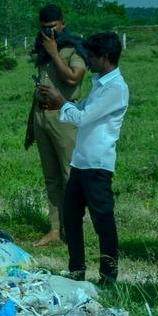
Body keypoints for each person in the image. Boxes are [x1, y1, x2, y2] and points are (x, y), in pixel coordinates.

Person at [39, 32, 129, 284]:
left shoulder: (115, 89)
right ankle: (77, 269)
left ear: (105, 57)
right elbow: (82, 111)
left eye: (91, 55)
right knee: (71, 216)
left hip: (97, 164)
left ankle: (108, 276)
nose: (87, 59)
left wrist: (60, 101)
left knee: (103, 221)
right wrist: (62, 103)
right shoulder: (101, 83)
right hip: (81, 161)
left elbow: (83, 118)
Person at [28, 4, 87, 246]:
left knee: (68, 174)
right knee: (50, 176)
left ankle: (74, 228)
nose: (48, 32)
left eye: (52, 27)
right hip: (41, 116)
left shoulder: (74, 49)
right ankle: (55, 228)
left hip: (64, 115)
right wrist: (30, 124)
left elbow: (73, 77)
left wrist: (54, 52)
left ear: (62, 24)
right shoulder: (41, 49)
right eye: (44, 28)